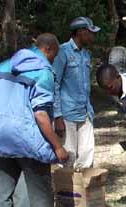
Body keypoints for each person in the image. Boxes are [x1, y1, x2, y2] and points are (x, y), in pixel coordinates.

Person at [0, 33, 69, 207]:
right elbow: (40, 114)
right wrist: (58, 146)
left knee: (2, 194)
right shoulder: (44, 72)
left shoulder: (1, 66)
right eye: (53, 56)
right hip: (29, 140)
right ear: (48, 50)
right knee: (40, 192)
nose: (52, 61)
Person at [53, 17, 100, 169]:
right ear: (80, 32)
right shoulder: (62, 52)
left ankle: (84, 191)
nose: (93, 36)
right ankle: (67, 191)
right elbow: (55, 84)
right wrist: (57, 116)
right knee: (68, 156)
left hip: (85, 112)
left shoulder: (86, 54)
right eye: (90, 32)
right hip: (67, 114)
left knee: (87, 155)